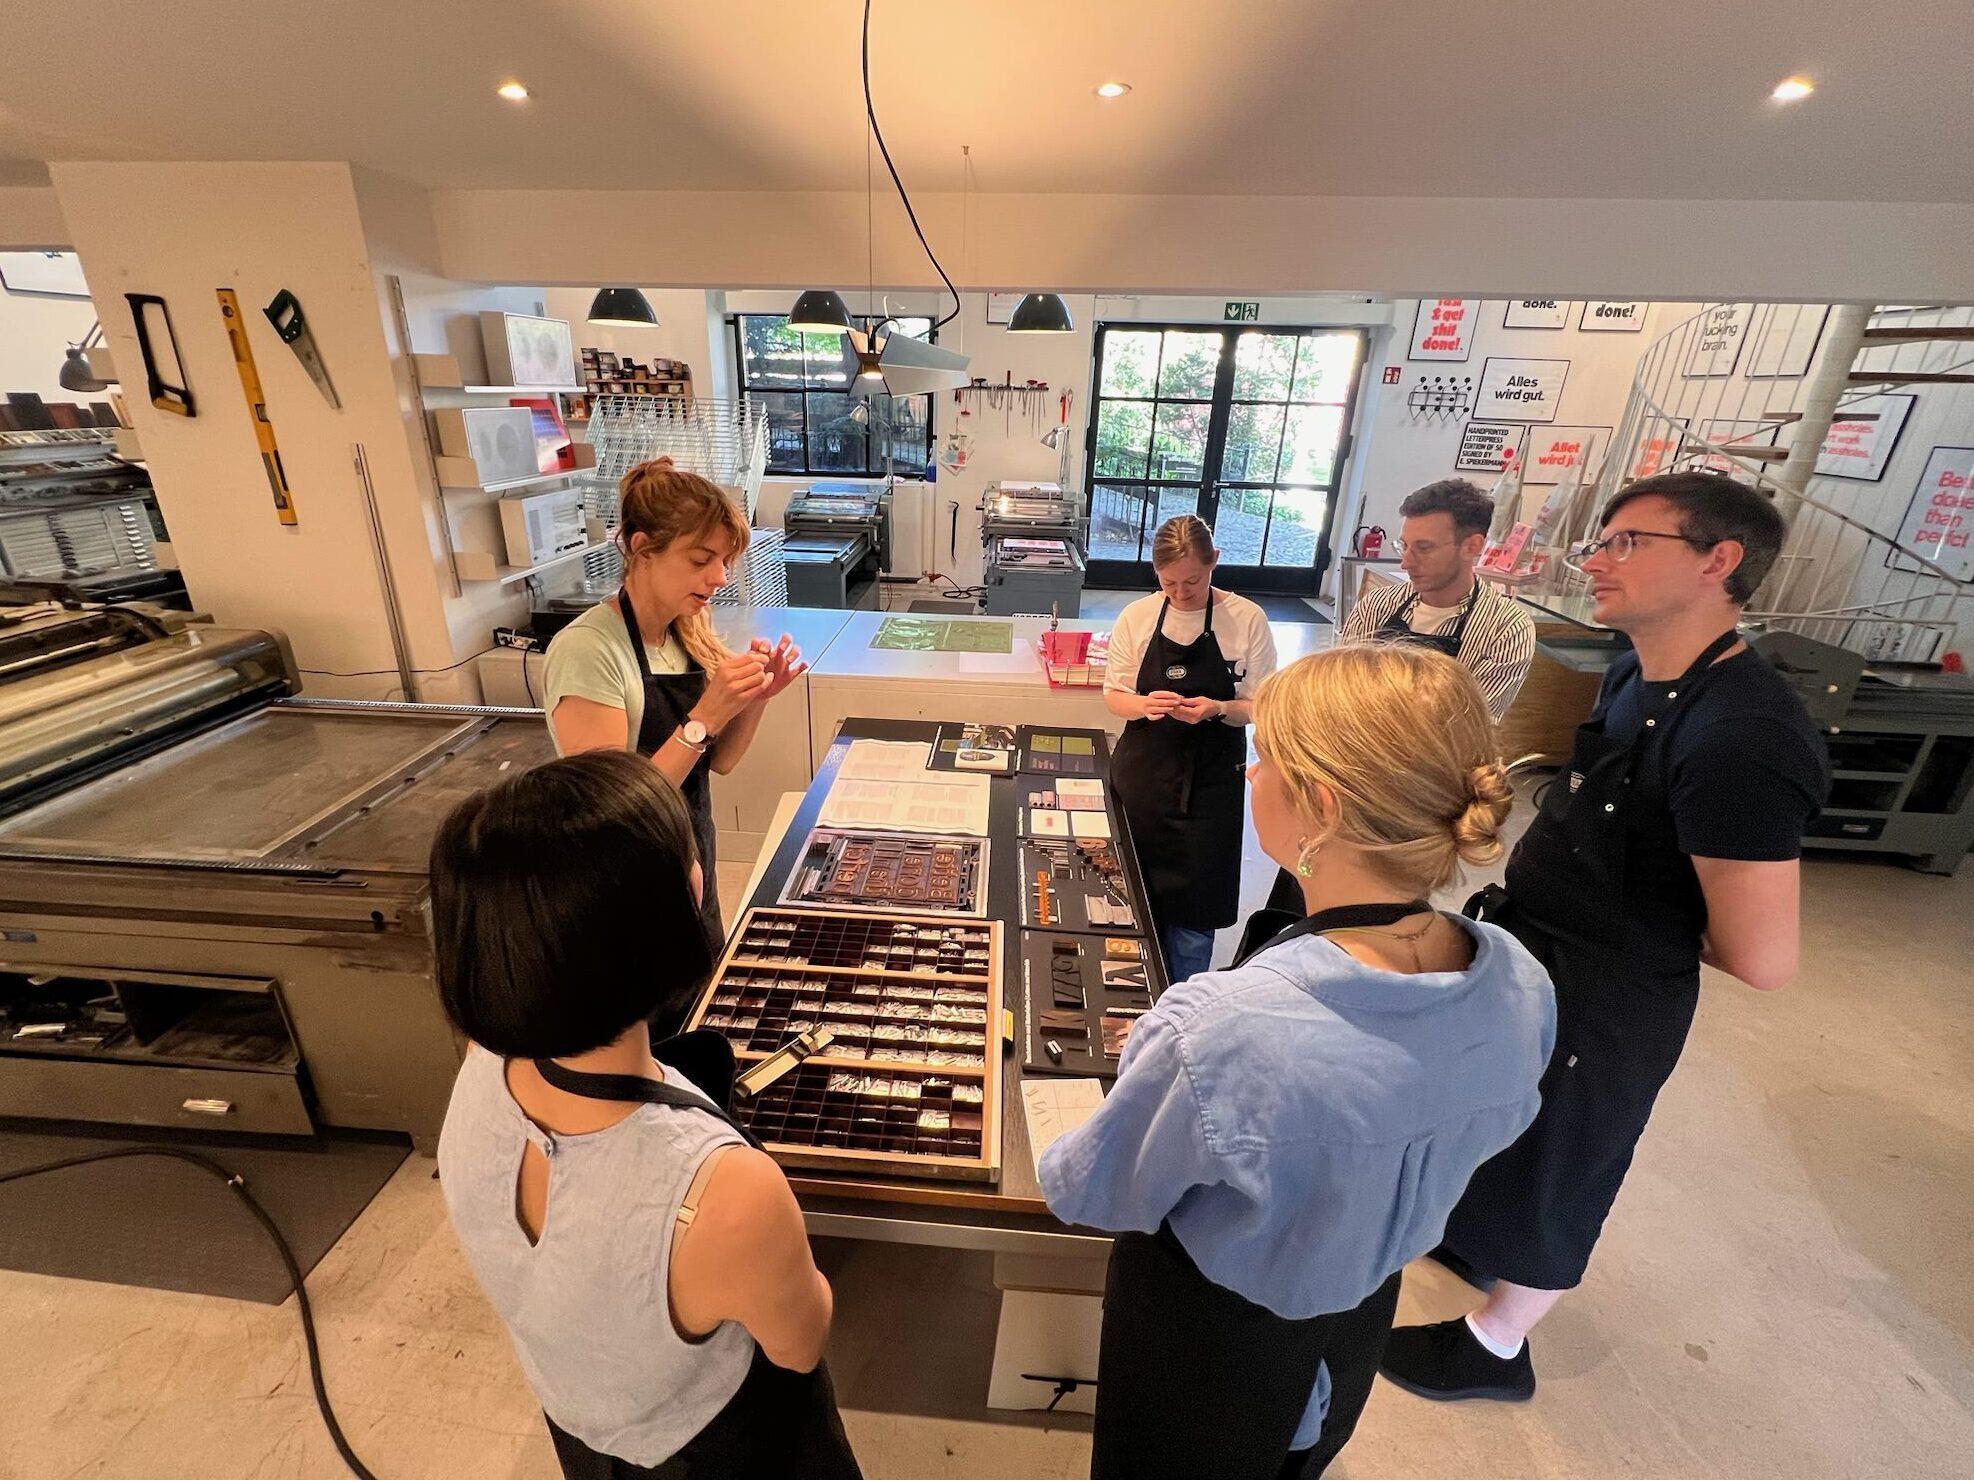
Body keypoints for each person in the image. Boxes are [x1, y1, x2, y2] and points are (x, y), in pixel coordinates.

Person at [1043, 644, 1557, 1480]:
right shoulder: (1519, 981)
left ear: (1318, 804)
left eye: (1263, 761)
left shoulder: (1220, 1030)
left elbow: (1092, 1190)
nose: (1249, 780)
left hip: (1205, 1342)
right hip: (1359, 1313)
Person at [1380, 470, 1831, 1404]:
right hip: (1539, 955)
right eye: (1601, 540)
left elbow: (1763, 955)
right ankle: (1474, 1244)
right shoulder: (1637, 672)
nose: (1597, 559)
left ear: (1720, 561)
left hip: (1612, 994)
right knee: (1505, 1120)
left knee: (1568, 1161)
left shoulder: (1745, 734)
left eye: (1629, 542)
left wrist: (1630, 919)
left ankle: (1497, 1348)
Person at [432, 750, 862, 1479]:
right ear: (660, 919)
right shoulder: (729, 1193)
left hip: (579, 1418)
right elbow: (801, 1341)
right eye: (687, 863)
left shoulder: (479, 1067)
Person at [544, 457, 806, 956]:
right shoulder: (588, 651)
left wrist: (755, 699)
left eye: (725, 561)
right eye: (700, 559)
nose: (720, 577)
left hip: (690, 853)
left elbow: (720, 763)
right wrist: (705, 715)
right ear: (642, 549)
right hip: (627, 880)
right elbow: (609, 808)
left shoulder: (684, 633)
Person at [1104, 513, 1279, 982]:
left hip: (1212, 782)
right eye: (1169, 583)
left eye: (1193, 581)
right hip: (1144, 776)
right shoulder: (1137, 617)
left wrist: (1218, 708)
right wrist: (1144, 704)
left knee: (1195, 913)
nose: (1181, 593)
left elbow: (1260, 705)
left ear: (1215, 562)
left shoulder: (1245, 619)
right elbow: (1114, 695)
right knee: (1131, 898)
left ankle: (1183, 1002)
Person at [1339, 477, 1536, 719]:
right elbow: (1342, 690)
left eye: (1424, 548)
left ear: (1472, 547)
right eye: (1405, 546)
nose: (1406, 562)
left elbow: (1468, 724)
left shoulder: (1507, 629)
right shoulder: (1377, 605)